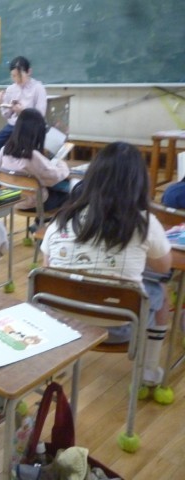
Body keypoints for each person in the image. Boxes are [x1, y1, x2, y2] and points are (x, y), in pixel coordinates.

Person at [41, 142, 172, 387]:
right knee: (162, 292)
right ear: (139, 182)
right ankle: (149, 369)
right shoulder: (144, 222)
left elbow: (47, 268)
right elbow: (164, 268)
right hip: (122, 326)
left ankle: (57, 363)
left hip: (62, 321)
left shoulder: (62, 218)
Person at [0, 108, 70, 211]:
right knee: (72, 193)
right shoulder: (32, 156)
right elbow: (55, 176)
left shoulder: (4, 150)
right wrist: (61, 163)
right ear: (38, 132)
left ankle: (40, 220)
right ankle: (44, 220)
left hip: (11, 200)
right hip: (35, 203)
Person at [0, 56, 47, 164]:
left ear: (29, 72)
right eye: (13, 76)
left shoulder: (38, 88)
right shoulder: (11, 89)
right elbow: (7, 115)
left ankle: (18, 170)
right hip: (13, 126)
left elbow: (40, 115)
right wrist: (1, 102)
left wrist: (24, 112)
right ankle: (6, 169)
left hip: (30, 128)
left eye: (20, 76)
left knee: (22, 154)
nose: (17, 80)